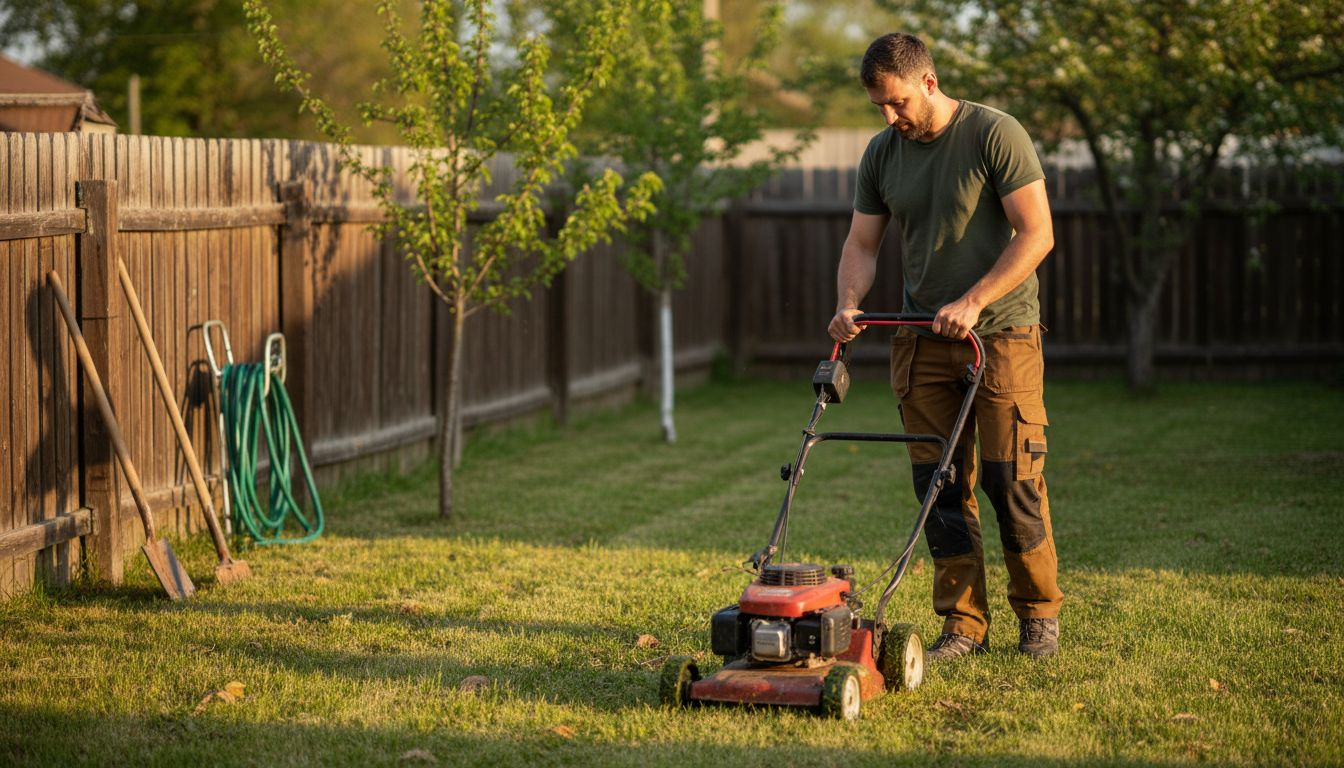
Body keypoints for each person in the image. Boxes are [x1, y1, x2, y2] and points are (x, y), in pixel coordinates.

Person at [828, 32, 1063, 660]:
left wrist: (975, 300)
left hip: (1002, 333)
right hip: (919, 338)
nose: (889, 117)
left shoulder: (994, 134)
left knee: (1011, 479)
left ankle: (1038, 617)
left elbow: (1036, 233)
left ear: (929, 83)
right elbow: (862, 245)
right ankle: (963, 626)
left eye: (898, 102)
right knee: (938, 484)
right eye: (878, 106)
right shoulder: (882, 154)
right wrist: (849, 302)